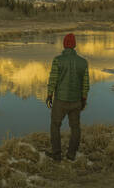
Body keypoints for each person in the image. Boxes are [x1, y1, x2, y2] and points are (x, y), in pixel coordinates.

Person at [45, 33, 89, 162]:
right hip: (76, 101)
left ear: (64, 45)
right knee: (75, 127)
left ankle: (57, 154)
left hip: (61, 101)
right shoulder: (83, 62)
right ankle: (71, 154)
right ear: (74, 45)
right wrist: (84, 99)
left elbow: (53, 79)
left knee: (55, 125)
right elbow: (85, 83)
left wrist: (49, 95)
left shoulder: (58, 60)